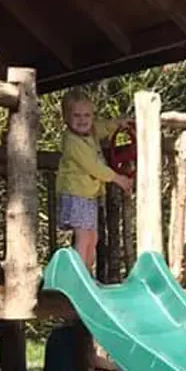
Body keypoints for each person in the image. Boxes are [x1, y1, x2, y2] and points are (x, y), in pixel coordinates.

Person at [57, 90, 134, 270]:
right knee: (84, 237)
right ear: (66, 118)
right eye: (76, 115)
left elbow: (102, 127)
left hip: (87, 195)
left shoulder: (90, 132)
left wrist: (118, 124)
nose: (82, 120)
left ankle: (86, 274)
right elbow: (94, 167)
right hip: (75, 194)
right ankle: (79, 277)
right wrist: (119, 179)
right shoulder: (72, 141)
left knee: (93, 237)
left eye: (87, 115)